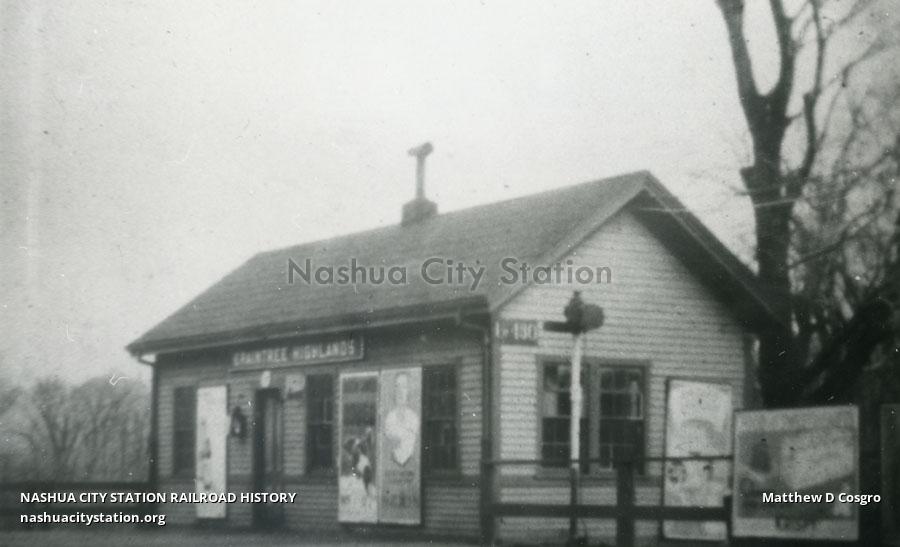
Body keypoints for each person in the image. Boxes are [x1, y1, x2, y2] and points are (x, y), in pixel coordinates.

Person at [384, 372, 420, 466]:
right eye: (397, 386)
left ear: (409, 390)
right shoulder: (389, 418)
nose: (400, 391)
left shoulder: (414, 418)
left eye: (404, 386)